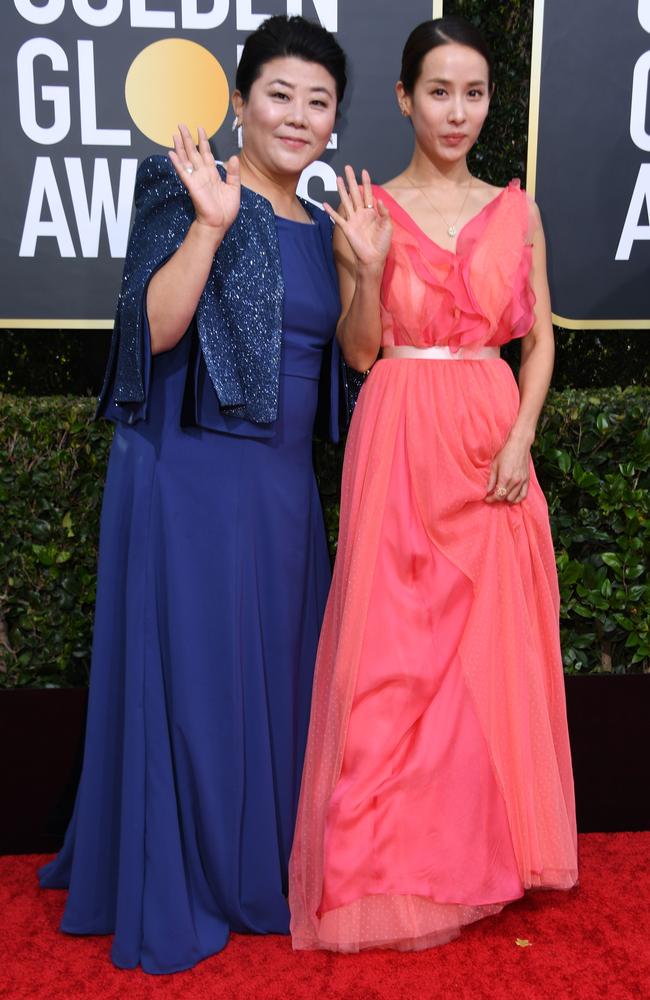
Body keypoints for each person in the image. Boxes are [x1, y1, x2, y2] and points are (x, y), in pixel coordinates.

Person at [39, 15, 347, 974]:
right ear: (242, 101)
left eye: (318, 101)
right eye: (279, 95)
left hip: (284, 486)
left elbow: (355, 359)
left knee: (272, 671)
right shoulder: (182, 184)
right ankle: (200, 871)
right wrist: (211, 225)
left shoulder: (329, 225)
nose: (297, 118)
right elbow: (156, 331)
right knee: (201, 679)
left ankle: (266, 858)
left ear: (336, 120)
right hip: (193, 473)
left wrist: (370, 273)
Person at [289, 15, 578, 953]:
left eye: (476, 92)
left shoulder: (517, 207)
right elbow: (362, 352)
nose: (459, 111)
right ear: (405, 98)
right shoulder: (367, 207)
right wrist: (367, 270)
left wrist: (521, 439)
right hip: (403, 425)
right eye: (440, 92)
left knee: (486, 657)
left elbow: (537, 341)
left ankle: (481, 851)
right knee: (394, 656)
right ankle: (387, 861)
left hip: (492, 435)